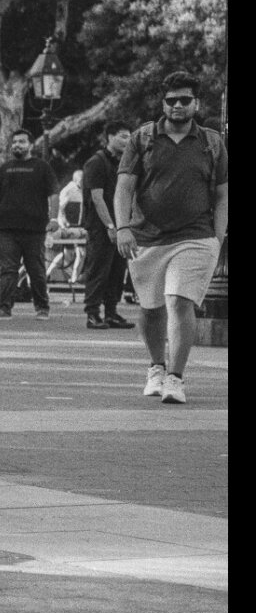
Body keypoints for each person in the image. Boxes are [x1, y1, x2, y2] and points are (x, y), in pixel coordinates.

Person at [114, 71, 227, 405]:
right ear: (162, 104)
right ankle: (156, 367)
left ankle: (176, 378)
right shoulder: (143, 138)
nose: (178, 106)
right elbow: (124, 187)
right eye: (171, 100)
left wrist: (218, 238)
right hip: (146, 237)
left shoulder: (211, 142)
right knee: (151, 309)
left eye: (185, 100)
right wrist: (123, 227)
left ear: (196, 103)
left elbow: (222, 195)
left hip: (195, 236)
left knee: (179, 301)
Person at [0, 129, 60, 320]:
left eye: (22, 142)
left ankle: (42, 307)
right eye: (15, 142)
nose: (17, 145)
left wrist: (53, 218)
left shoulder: (42, 167)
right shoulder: (4, 168)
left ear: (30, 145)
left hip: (34, 229)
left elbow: (54, 193)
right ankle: (4, 309)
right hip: (6, 229)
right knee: (8, 270)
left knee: (36, 270)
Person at [79, 120, 137, 330]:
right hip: (101, 226)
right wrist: (110, 225)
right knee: (98, 270)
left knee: (116, 270)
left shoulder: (123, 162)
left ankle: (111, 312)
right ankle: (93, 313)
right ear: (110, 137)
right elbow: (97, 197)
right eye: (123, 136)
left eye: (129, 136)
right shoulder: (97, 162)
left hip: (121, 225)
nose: (127, 140)